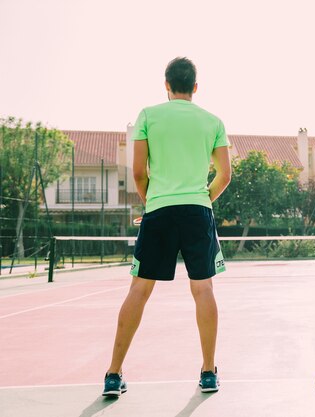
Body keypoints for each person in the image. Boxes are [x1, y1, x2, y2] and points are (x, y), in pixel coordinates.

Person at [103, 57, 231, 397]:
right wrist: (204, 198)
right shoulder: (213, 121)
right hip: (197, 212)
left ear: (166, 85)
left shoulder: (148, 115)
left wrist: (152, 203)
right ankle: (208, 373)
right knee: (203, 290)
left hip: (159, 211)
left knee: (138, 291)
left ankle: (113, 375)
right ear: (196, 87)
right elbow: (225, 174)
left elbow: (138, 172)